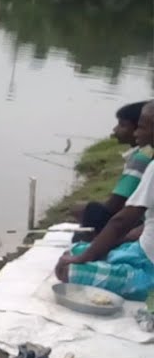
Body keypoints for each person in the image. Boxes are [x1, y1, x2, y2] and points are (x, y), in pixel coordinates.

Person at [57, 103, 154, 299]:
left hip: (148, 269)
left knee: (67, 269)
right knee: (75, 250)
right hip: (143, 251)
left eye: (142, 126)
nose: (137, 131)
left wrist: (86, 257)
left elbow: (121, 220)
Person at [73, 101, 152, 232]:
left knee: (80, 209)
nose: (115, 130)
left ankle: (91, 240)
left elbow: (114, 205)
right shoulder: (146, 154)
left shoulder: (142, 157)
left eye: (122, 125)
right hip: (140, 218)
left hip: (137, 222)